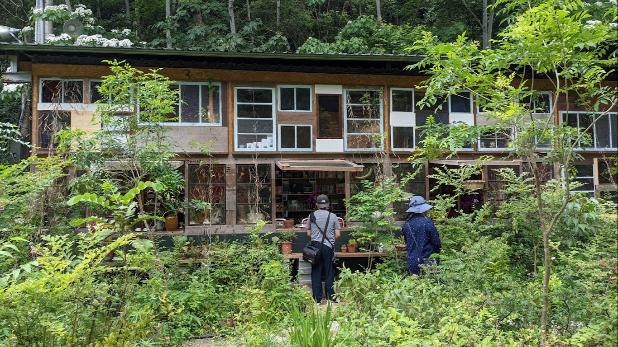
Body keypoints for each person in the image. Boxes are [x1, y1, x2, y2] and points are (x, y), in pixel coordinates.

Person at [305, 194, 341, 302]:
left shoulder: (311, 216)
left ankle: (317, 299)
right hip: (328, 247)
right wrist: (330, 239)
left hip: (315, 247)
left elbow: (308, 233)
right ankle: (331, 297)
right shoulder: (333, 216)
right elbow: (338, 234)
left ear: (317, 204)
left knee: (316, 271)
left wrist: (316, 237)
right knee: (329, 271)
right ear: (328, 204)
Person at [402, 196, 441, 275]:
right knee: (430, 285)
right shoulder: (427, 223)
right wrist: (438, 253)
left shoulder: (406, 225)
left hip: (412, 262)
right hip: (428, 261)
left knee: (415, 285)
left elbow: (407, 243)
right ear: (423, 209)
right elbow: (436, 243)